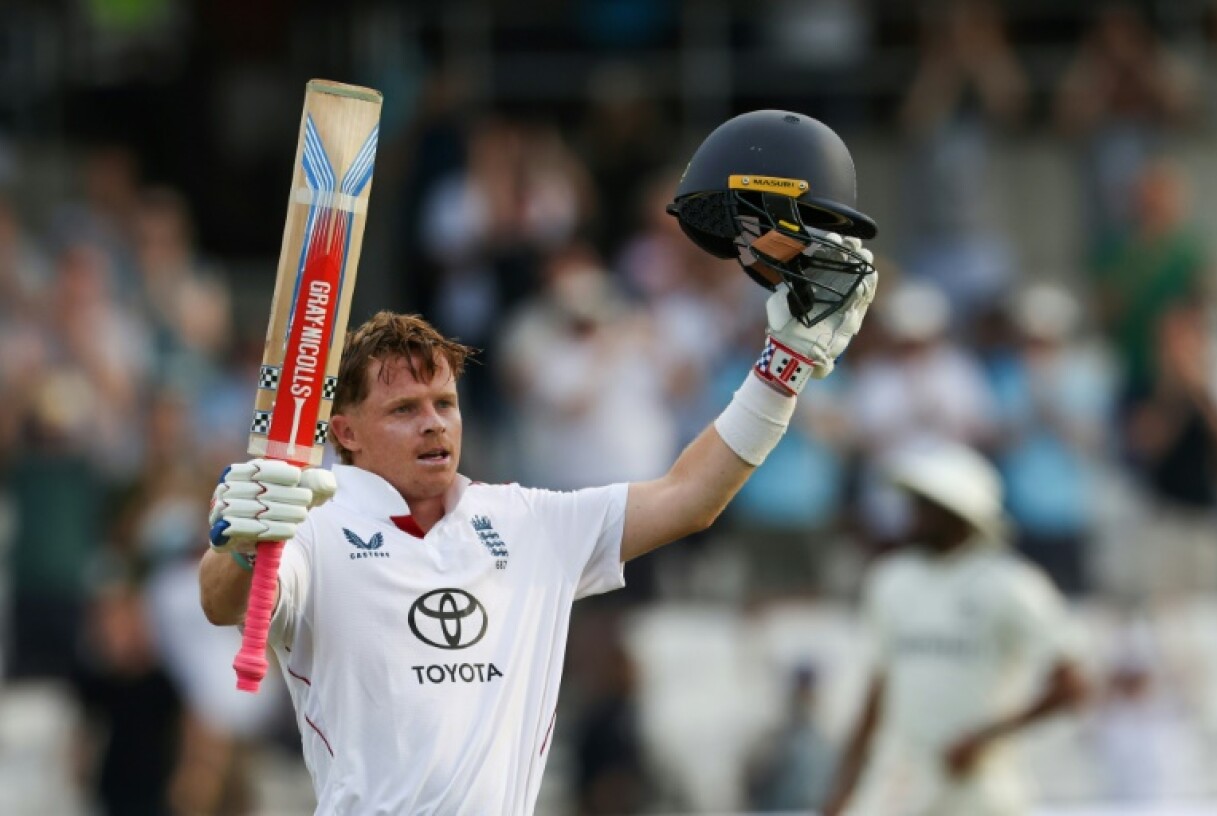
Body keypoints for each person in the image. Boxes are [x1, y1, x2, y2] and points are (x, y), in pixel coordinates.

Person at [199, 110, 879, 815]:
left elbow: (691, 495)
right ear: (345, 432)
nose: (434, 423)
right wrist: (243, 542)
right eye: (404, 411)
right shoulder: (312, 521)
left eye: (444, 403)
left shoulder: (525, 522)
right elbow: (222, 600)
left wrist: (784, 367)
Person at [822, 440, 1088, 816]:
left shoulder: (1010, 584)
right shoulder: (891, 581)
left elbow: (1073, 685)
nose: (912, 514)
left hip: (982, 785)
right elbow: (878, 691)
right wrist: (845, 787)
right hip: (903, 782)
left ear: (959, 513)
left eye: (926, 504)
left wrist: (984, 739)